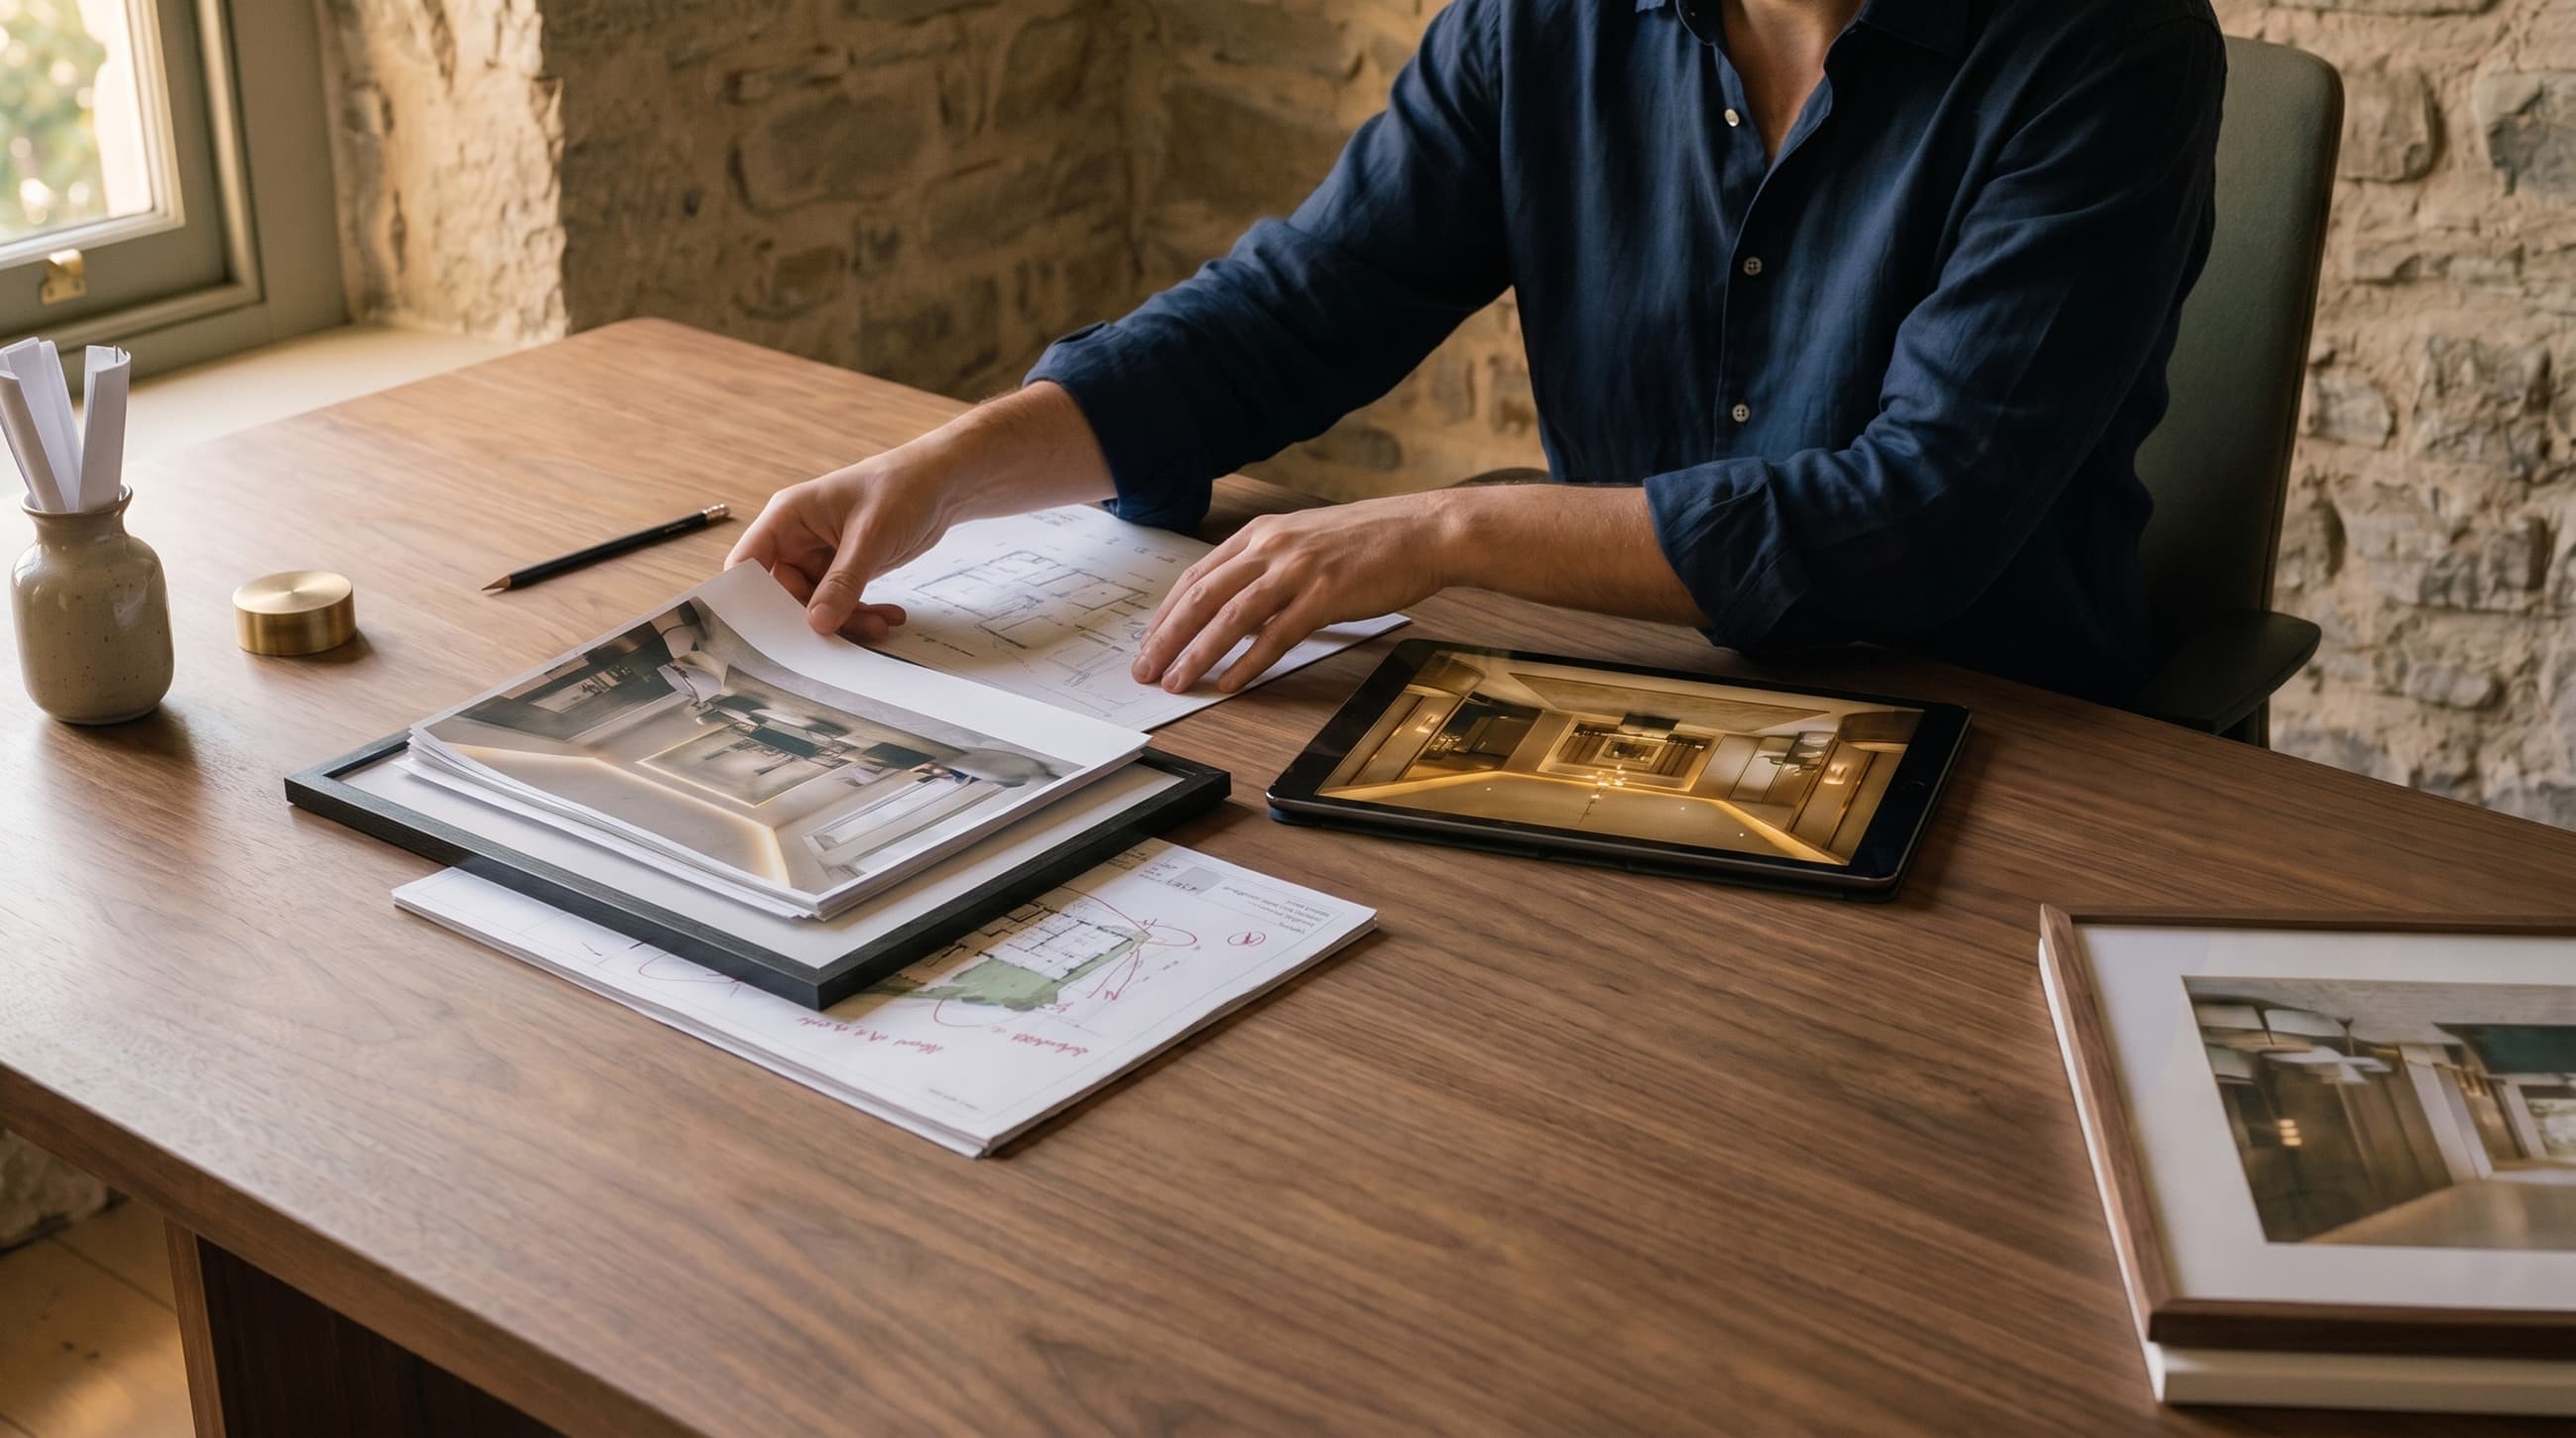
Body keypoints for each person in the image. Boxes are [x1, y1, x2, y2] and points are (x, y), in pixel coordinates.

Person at [731, 0, 2224, 706]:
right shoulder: (1545, 22)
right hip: (1632, 702)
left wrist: (1449, 528)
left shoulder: (2108, 48)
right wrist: (947, 469)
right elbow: (1302, 304)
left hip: (1999, 730)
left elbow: (1917, 516)